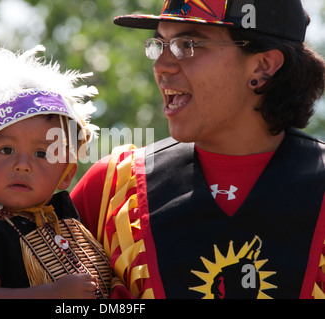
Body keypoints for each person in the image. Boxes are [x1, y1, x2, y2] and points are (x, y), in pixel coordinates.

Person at [71, 0, 325, 299]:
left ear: (262, 65)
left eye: (187, 44)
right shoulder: (111, 189)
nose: (160, 66)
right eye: (160, 44)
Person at [0, 10, 111, 299]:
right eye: (6, 150)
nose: (22, 166)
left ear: (67, 174)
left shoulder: (73, 227)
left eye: (42, 154)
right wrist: (55, 293)